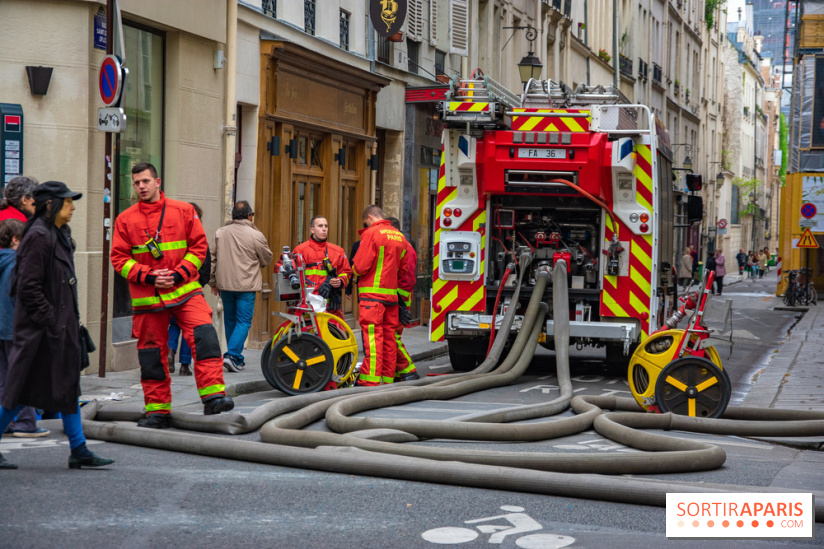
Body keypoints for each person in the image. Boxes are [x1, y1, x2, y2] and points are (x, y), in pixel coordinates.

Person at [0, 181, 114, 469]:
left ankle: (79, 450)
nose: (73, 207)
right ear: (50, 205)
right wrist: (51, 320)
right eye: (67, 202)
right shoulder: (38, 235)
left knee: (67, 388)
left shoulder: (56, 232)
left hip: (57, 330)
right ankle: (80, 450)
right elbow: (27, 288)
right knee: (17, 393)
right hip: (41, 333)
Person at [111, 162, 234, 429]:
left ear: (158, 182)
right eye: (136, 183)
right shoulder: (125, 219)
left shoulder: (184, 211)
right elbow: (119, 260)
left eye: (145, 181)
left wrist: (178, 275)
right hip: (149, 298)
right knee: (152, 355)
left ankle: (213, 397)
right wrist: (150, 276)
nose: (141, 186)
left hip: (185, 291)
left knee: (205, 338)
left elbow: (199, 248)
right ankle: (158, 411)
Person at [209, 200, 273, 372]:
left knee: (230, 320)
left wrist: (213, 282)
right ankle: (231, 355)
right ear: (249, 216)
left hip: (225, 285)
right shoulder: (255, 235)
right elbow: (267, 258)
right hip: (246, 285)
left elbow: (211, 260)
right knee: (243, 321)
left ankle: (236, 358)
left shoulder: (220, 232)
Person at [0, 219, 49, 438]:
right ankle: (27, 422)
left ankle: (6, 423)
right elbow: (21, 297)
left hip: (2, 329)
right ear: (15, 240)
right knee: (23, 377)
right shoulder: (17, 264)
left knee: (4, 379)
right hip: (14, 328)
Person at [352, 205, 408, 386]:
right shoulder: (399, 236)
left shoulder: (371, 233)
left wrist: (353, 270)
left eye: (365, 222)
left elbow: (360, 266)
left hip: (372, 297)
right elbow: (404, 270)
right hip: (391, 298)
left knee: (373, 340)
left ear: (369, 217)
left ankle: (370, 381)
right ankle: (387, 379)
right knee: (389, 340)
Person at [168, 202, 211, 377]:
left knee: (173, 324)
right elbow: (205, 266)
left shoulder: (172, 238)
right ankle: (185, 364)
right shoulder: (199, 239)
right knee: (189, 327)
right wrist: (200, 283)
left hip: (173, 288)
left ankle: (170, 352)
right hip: (192, 290)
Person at [290, 216, 351, 320]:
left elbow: (346, 272)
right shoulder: (301, 250)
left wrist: (341, 281)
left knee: (339, 334)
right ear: (312, 229)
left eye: (326, 226)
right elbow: (292, 274)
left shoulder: (337, 251)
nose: (324, 229)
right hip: (308, 306)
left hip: (331, 306)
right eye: (320, 226)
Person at [387, 217, 419, 382]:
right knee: (393, 335)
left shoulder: (403, 246)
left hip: (398, 295)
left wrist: (398, 300)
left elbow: (405, 278)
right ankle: (400, 372)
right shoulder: (405, 246)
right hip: (398, 294)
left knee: (392, 336)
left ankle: (408, 370)